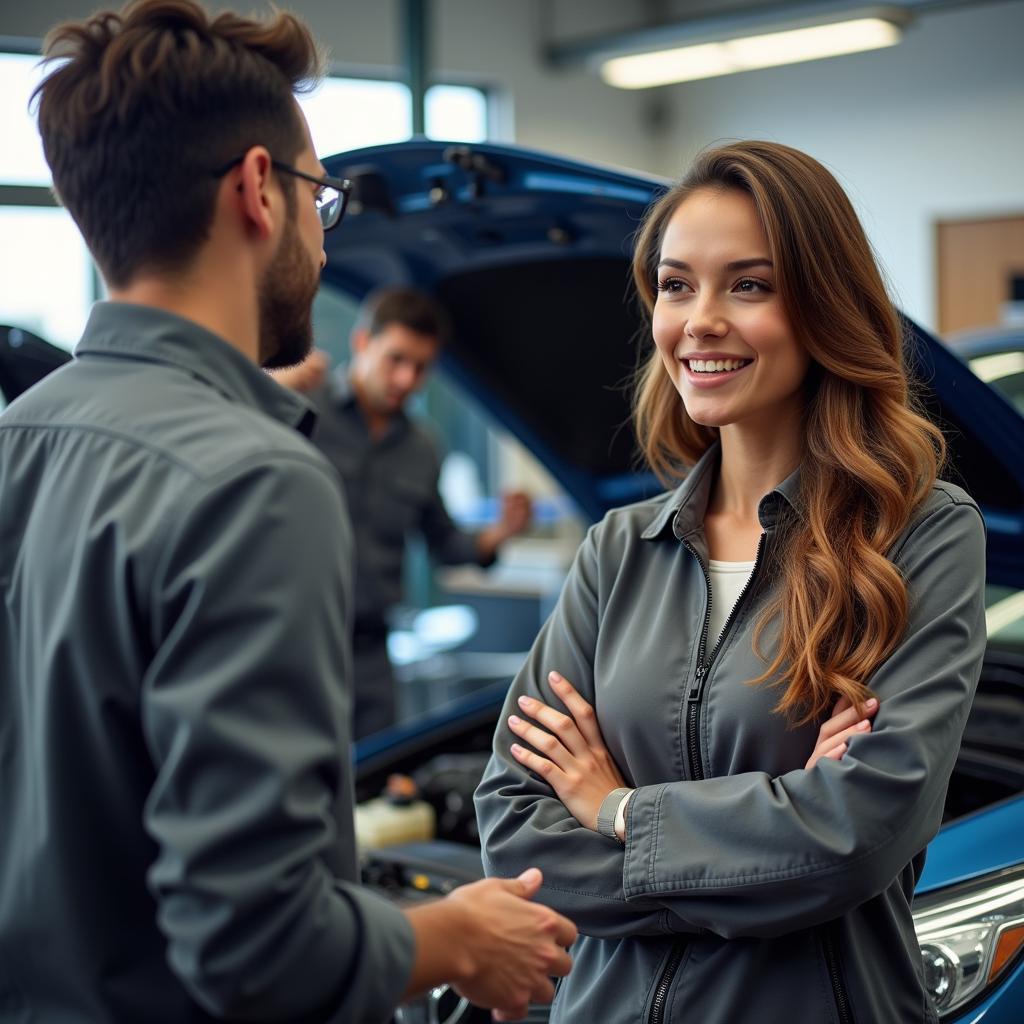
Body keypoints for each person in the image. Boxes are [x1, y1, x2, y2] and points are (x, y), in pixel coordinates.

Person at [0, 2, 576, 1022]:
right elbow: (253, 944)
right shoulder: (252, 477)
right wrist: (456, 935)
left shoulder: (20, 438)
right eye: (324, 197)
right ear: (260, 190)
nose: (323, 231)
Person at [474, 140, 987, 1023]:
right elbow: (517, 833)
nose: (699, 320)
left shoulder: (921, 534)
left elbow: (852, 841)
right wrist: (770, 843)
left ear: (824, 306)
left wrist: (615, 806)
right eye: (676, 285)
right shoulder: (617, 549)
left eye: (748, 285)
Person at [272, 287, 532, 739]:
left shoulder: (422, 448)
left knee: (375, 796)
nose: (406, 379)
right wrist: (267, 391)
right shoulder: (297, 409)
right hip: (290, 644)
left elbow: (445, 544)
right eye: (396, 359)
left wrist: (497, 535)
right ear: (361, 343)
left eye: (420, 367)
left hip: (371, 659)